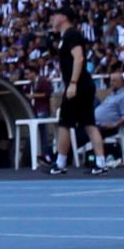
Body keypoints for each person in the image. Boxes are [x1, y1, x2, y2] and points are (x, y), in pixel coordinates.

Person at [48, 9, 106, 175]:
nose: (52, 19)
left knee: (65, 123)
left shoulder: (71, 34)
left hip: (78, 85)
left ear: (64, 17)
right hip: (83, 84)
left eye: (55, 15)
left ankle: (60, 162)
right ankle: (101, 162)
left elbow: (79, 57)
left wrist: (73, 83)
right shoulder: (64, 37)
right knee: (89, 123)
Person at [93, 72, 124, 145]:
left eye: (114, 80)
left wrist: (114, 125)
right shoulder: (112, 95)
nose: (111, 83)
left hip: (109, 128)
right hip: (96, 124)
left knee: (80, 134)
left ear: (122, 82)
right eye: (111, 80)